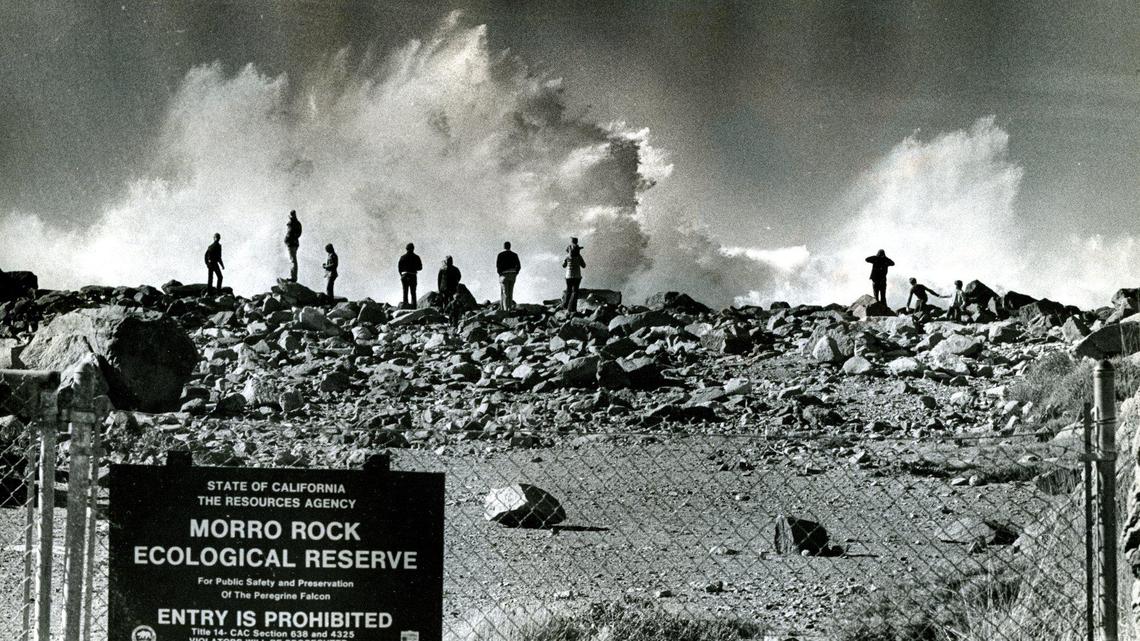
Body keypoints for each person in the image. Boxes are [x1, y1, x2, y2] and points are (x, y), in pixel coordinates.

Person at [562, 237, 586, 313]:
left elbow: (563, 265)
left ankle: (565, 306)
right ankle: (572, 308)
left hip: (568, 276)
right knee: (575, 292)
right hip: (577, 276)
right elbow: (584, 265)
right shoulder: (579, 257)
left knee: (568, 290)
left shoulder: (567, 257)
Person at [496, 241, 521, 311]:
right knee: (510, 292)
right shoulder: (515, 255)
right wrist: (516, 273)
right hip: (512, 275)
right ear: (510, 246)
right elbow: (519, 266)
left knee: (505, 293)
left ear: (504, 246)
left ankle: (505, 309)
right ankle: (509, 308)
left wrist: (500, 274)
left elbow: (498, 266)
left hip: (504, 275)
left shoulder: (500, 255)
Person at [398, 243, 423, 308]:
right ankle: (414, 307)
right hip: (413, 275)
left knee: (405, 292)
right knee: (413, 292)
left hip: (404, 275)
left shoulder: (402, 257)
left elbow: (399, 268)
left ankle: (405, 306)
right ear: (413, 248)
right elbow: (420, 268)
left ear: (406, 249)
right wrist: (414, 268)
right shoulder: (416, 257)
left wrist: (402, 275)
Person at [285, 210, 302, 282]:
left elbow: (289, 233)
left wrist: (287, 239)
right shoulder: (297, 223)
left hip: (291, 243)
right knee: (293, 259)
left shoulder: (292, 223)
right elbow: (299, 233)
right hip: (294, 243)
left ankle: (293, 277)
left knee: (292, 260)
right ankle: (293, 276)